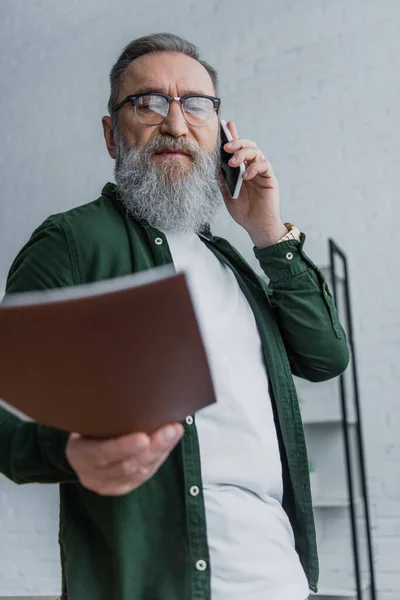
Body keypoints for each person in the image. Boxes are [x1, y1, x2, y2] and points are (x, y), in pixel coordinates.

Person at [0, 33, 349, 600]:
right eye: (150, 102)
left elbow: (326, 356)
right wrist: (66, 452)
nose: (176, 124)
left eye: (196, 104)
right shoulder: (73, 241)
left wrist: (267, 232)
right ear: (113, 134)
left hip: (281, 581)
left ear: (219, 132)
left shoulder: (233, 261)